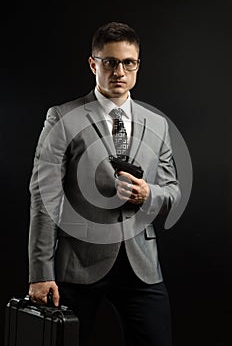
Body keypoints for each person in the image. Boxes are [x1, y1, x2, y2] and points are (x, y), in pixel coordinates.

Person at [28, 21, 181, 346]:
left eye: (128, 62)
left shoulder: (158, 125)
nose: (119, 71)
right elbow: (44, 197)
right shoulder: (62, 117)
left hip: (142, 264)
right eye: (110, 62)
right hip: (79, 264)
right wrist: (41, 273)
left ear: (138, 65)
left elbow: (172, 191)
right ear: (93, 63)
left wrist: (148, 193)